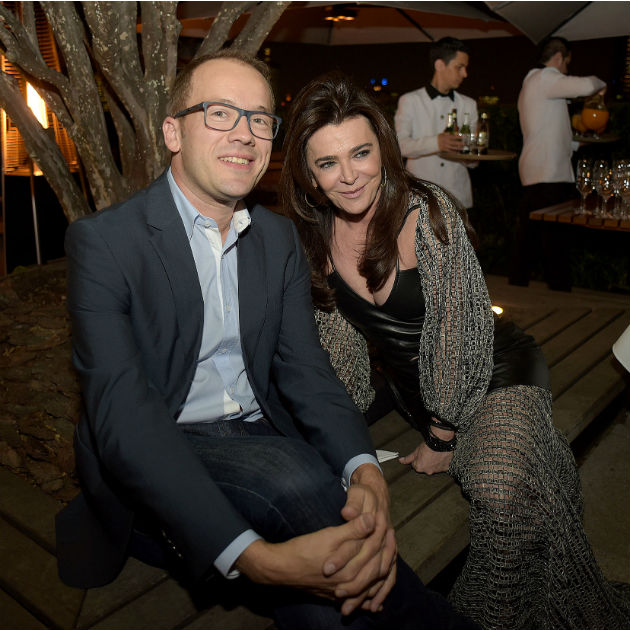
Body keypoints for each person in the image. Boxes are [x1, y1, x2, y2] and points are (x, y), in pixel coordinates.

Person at [54, 51, 480, 630]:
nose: (244, 133)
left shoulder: (276, 238)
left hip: (259, 434)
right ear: (173, 132)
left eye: (259, 118)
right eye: (220, 112)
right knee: (293, 472)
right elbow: (124, 417)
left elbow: (306, 370)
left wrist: (365, 470)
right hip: (165, 440)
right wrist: (257, 561)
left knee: (325, 604)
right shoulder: (106, 243)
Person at [280, 71, 630, 630]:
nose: (348, 175)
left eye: (361, 153)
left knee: (502, 489)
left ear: (382, 148)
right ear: (309, 175)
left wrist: (442, 436)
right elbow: (340, 348)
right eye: (328, 163)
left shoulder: (427, 210)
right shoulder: (311, 236)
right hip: (416, 389)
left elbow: (460, 331)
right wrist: (340, 434)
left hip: (493, 367)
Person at [509, 36, 606, 289]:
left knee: (529, 237)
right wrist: (601, 85)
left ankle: (519, 284)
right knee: (554, 238)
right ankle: (560, 290)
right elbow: (588, 85)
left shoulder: (533, 83)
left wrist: (577, 144)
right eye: (567, 63)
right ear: (559, 57)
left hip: (538, 168)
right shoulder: (545, 78)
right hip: (548, 172)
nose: (566, 69)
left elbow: (545, 131)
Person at [394, 37, 477, 209]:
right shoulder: (410, 101)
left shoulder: (469, 104)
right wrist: (436, 143)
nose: (465, 74)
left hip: (458, 198)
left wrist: (470, 154)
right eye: (459, 67)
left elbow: (474, 160)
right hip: (420, 198)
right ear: (439, 65)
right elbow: (399, 146)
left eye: (465, 68)